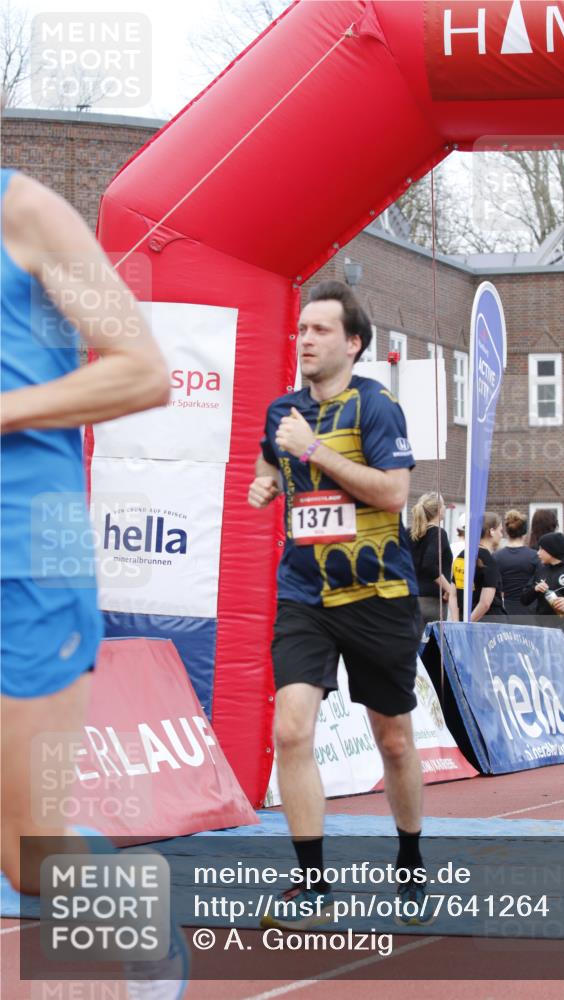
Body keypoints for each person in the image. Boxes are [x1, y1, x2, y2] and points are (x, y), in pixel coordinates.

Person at [0, 169, 187, 998]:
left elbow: (142, 371)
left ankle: (143, 936)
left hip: (26, 562)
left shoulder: (23, 211)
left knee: (27, 855)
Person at [248, 279, 427, 927]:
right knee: (291, 729)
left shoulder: (376, 407)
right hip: (305, 593)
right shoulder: (282, 411)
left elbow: (393, 493)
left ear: (353, 344)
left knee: (394, 741)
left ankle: (409, 858)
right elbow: (273, 462)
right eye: (301, 329)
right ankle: (313, 883)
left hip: (379, 594)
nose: (305, 339)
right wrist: (267, 483)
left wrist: (315, 450)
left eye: (320, 330)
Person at [520, 532, 564, 641]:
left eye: (541, 549)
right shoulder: (540, 572)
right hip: (542, 631)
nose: (538, 553)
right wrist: (535, 589)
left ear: (552, 550)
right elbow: (524, 599)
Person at [448, 512, 507, 622]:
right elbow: (485, 603)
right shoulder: (489, 561)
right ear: (491, 531)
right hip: (489, 623)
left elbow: (453, 595)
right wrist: (467, 624)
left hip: (465, 619)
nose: (501, 535)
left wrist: (457, 623)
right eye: (500, 531)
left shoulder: (462, 556)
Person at [409, 492, 452, 624]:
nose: (445, 507)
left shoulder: (411, 534)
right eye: (443, 505)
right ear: (438, 510)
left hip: (411, 600)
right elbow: (429, 564)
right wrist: (449, 589)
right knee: (435, 638)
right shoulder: (438, 533)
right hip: (432, 603)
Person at [494, 509, 538, 616]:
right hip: (530, 611)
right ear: (525, 533)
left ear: (507, 532)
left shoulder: (496, 557)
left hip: (505, 611)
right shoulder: (535, 556)